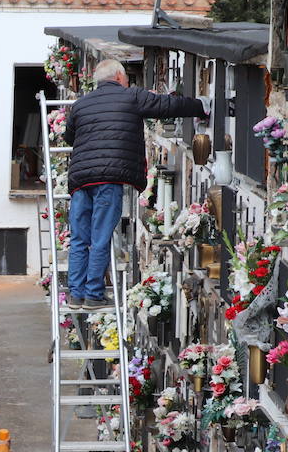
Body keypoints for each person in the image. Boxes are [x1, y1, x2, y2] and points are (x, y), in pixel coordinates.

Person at [63, 59, 207, 309]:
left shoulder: (80, 104)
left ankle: (75, 294)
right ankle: (93, 295)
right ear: (119, 77)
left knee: (79, 238)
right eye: (126, 78)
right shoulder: (131, 96)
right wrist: (201, 106)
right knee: (100, 237)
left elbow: (69, 136)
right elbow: (167, 105)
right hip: (109, 178)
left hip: (80, 180)